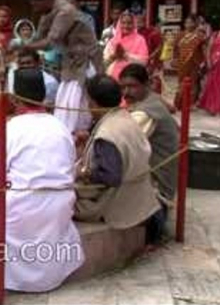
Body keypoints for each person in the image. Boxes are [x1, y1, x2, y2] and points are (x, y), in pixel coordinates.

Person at [0, 68, 84, 292]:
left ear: (14, 98)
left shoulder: (10, 129)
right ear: (44, 95)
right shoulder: (61, 127)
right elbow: (69, 173)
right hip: (59, 208)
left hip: (20, 211)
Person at [74, 75, 161, 239]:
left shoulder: (108, 135)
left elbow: (111, 176)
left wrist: (82, 172)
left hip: (115, 202)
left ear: (93, 103)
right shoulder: (125, 117)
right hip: (137, 193)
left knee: (56, 200)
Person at [24, 0, 103, 133]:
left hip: (86, 64)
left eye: (36, 5)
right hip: (70, 65)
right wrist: (22, 46)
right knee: (65, 108)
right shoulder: (47, 14)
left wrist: (25, 47)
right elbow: (38, 37)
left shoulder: (65, 11)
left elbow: (50, 42)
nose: (34, 9)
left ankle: (83, 139)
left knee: (80, 108)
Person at [120, 64, 179, 243]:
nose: (126, 92)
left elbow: (122, 145)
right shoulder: (151, 101)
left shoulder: (146, 112)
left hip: (158, 186)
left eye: (132, 86)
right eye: (123, 87)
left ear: (147, 85)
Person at [173, 15, 206, 109]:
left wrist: (203, 62)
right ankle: (178, 103)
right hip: (182, 63)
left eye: (191, 22)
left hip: (194, 63)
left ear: (195, 24)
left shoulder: (199, 36)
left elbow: (204, 49)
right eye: (187, 22)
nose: (188, 24)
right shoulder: (180, 35)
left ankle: (190, 104)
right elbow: (175, 49)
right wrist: (174, 59)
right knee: (181, 83)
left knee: (193, 84)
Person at [103, 13, 149, 80]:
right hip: (113, 77)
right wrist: (114, 56)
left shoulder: (140, 40)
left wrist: (125, 55)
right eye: (123, 23)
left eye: (129, 23)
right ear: (119, 24)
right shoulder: (113, 40)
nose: (126, 26)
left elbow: (144, 61)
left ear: (134, 24)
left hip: (133, 76)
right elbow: (104, 60)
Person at [135, 15, 164, 94]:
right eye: (136, 22)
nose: (138, 24)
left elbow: (159, 47)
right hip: (139, 60)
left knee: (154, 79)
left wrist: (151, 57)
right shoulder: (134, 33)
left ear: (144, 22)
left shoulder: (152, 33)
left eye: (140, 22)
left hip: (152, 61)